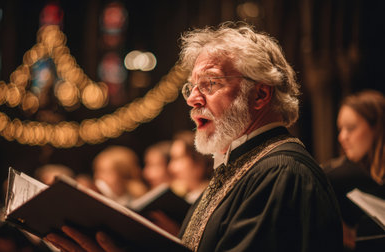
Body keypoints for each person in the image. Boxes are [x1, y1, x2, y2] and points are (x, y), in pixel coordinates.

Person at [45, 22, 343, 251]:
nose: (192, 99)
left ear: (261, 93)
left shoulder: (282, 173)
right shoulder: (240, 168)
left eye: (210, 84)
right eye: (191, 87)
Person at [323, 90, 385, 251]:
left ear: (376, 127)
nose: (342, 137)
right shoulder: (335, 175)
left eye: (350, 128)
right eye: (340, 129)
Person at [168, 131, 213, 204]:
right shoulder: (187, 198)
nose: (171, 168)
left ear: (199, 162)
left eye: (177, 159)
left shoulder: (211, 199)